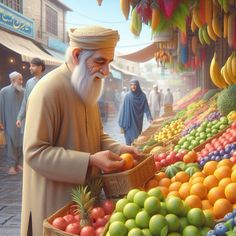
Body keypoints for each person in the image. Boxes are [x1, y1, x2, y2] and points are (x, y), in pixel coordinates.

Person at [20, 26, 140, 236]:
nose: (106, 72)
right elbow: (35, 152)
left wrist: (120, 148)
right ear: (77, 55)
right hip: (55, 207)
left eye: (109, 63)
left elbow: (97, 134)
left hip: (85, 205)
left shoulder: (87, 85)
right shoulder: (48, 90)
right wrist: (90, 160)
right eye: (100, 62)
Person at [0, 71, 24, 174]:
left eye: (22, 79)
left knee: (21, 142)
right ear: (12, 80)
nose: (21, 81)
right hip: (8, 121)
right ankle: (11, 166)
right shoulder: (4, 91)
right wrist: (1, 121)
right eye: (19, 79)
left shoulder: (24, 91)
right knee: (10, 143)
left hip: (22, 122)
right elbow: (1, 107)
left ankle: (19, 163)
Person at [118, 79, 153, 145]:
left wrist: (149, 118)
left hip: (137, 122)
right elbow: (123, 110)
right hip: (128, 123)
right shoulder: (127, 96)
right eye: (131, 85)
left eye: (135, 85)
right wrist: (122, 124)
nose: (133, 87)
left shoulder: (142, 96)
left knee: (136, 140)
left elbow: (146, 108)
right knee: (128, 143)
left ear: (138, 86)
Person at [16, 57, 45, 130]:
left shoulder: (47, 81)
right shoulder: (29, 82)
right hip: (32, 117)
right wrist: (20, 117)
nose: (30, 68)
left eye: (33, 66)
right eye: (30, 66)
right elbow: (25, 101)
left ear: (40, 67)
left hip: (45, 117)